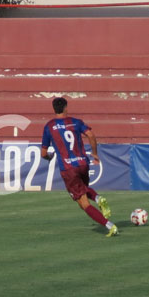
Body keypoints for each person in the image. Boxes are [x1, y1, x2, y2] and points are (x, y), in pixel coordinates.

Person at [41, 97, 118, 238]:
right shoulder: (76, 122)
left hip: (68, 168)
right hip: (83, 163)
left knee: (83, 203)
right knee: (83, 189)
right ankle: (97, 198)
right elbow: (90, 134)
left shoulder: (49, 126)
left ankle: (109, 225)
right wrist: (95, 153)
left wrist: (49, 157)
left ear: (54, 109)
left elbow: (43, 153)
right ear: (66, 107)